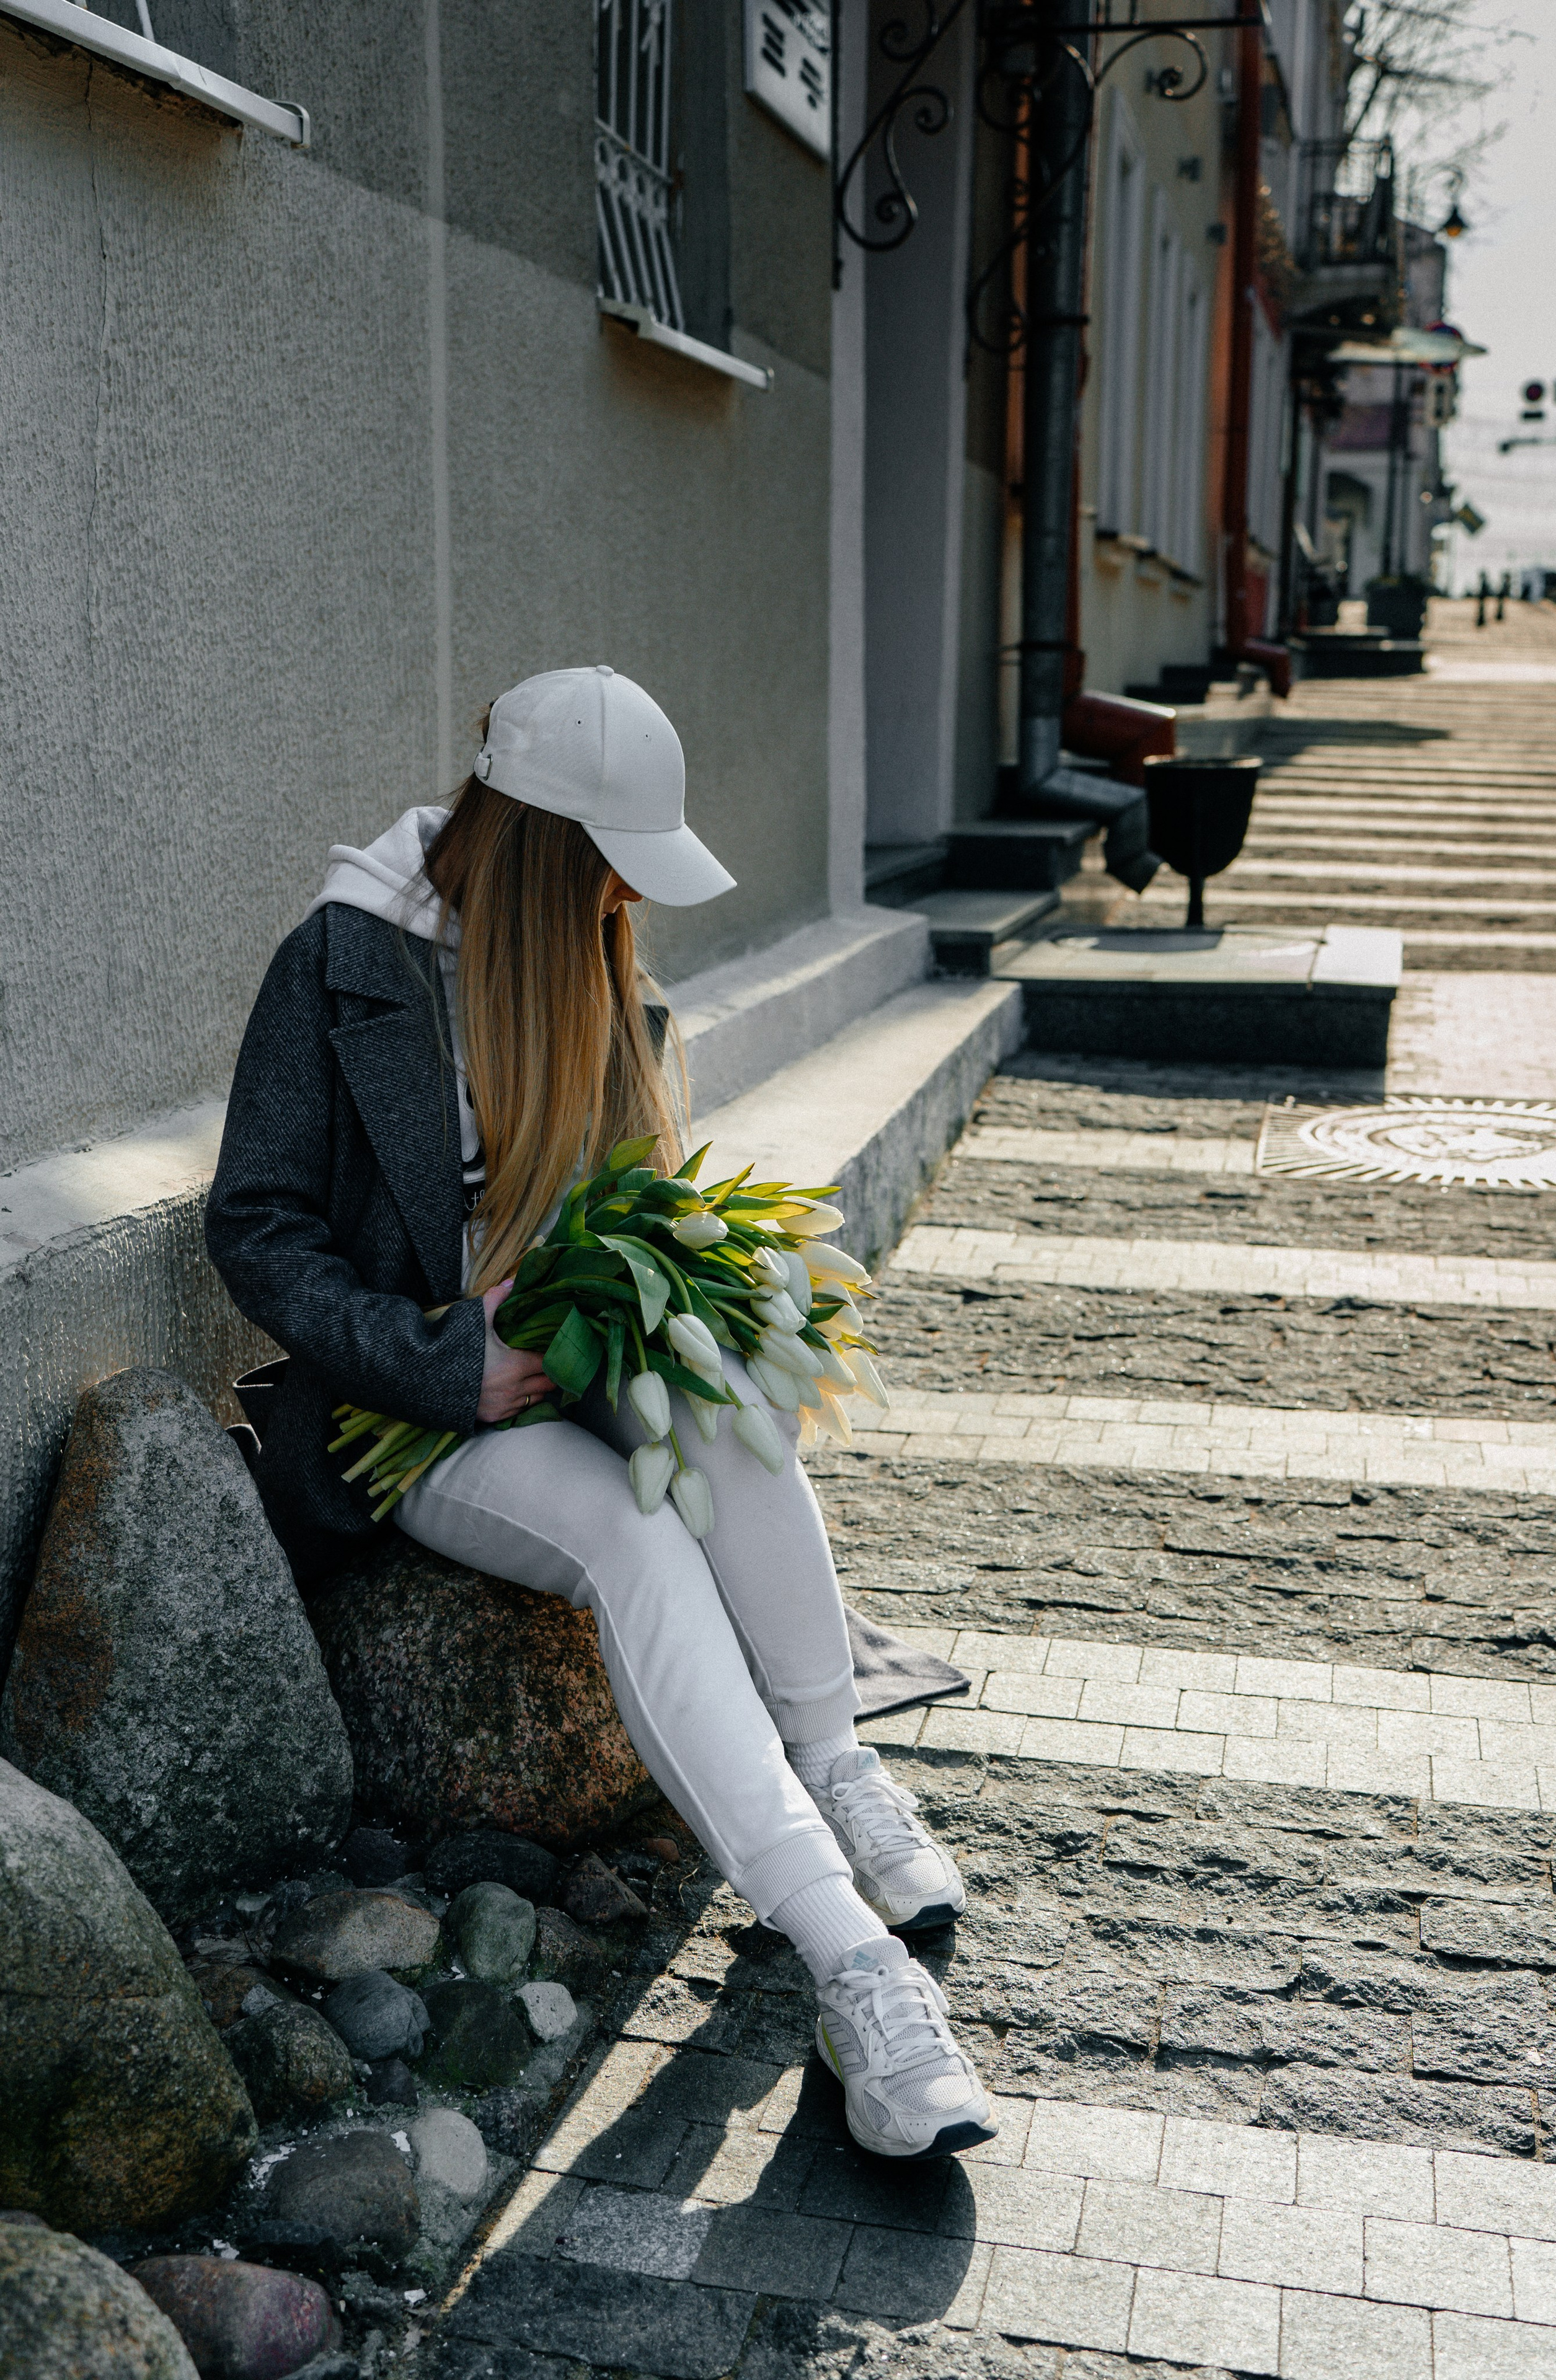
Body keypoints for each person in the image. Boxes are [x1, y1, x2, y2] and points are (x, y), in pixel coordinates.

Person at [206, 665, 996, 2161]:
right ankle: (858, 1972)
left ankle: (837, 1771)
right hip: (430, 1418)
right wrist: (442, 1356)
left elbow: (635, 1189)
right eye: (615, 866)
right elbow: (255, 1228)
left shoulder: (600, 958)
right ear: (548, 845)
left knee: (737, 1412)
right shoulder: (341, 960)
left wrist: (661, 1312)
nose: (631, 898)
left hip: (579, 1371)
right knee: (637, 1547)